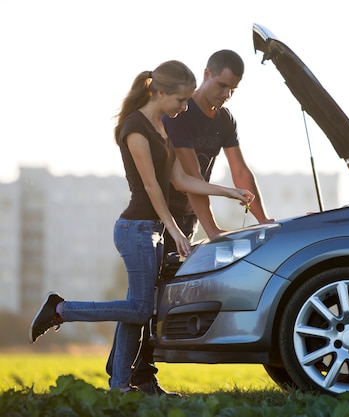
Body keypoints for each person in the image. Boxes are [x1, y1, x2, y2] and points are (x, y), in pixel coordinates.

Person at [29, 60, 254, 393]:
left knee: (137, 311)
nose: (184, 106)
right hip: (135, 230)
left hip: (152, 232)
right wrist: (175, 229)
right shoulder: (135, 128)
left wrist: (230, 191)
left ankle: (120, 387)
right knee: (140, 308)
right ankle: (60, 309)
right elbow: (151, 187)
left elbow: (180, 180)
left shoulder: (164, 125)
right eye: (180, 100)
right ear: (161, 92)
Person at [126, 50, 275, 395]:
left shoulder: (225, 120)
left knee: (159, 300)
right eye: (222, 85)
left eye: (233, 90)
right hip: (161, 218)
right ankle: (135, 376)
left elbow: (240, 172)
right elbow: (190, 177)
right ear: (207, 73)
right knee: (145, 299)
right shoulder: (179, 113)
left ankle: (139, 376)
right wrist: (212, 231)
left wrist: (263, 218)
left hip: (189, 221)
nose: (226, 95)